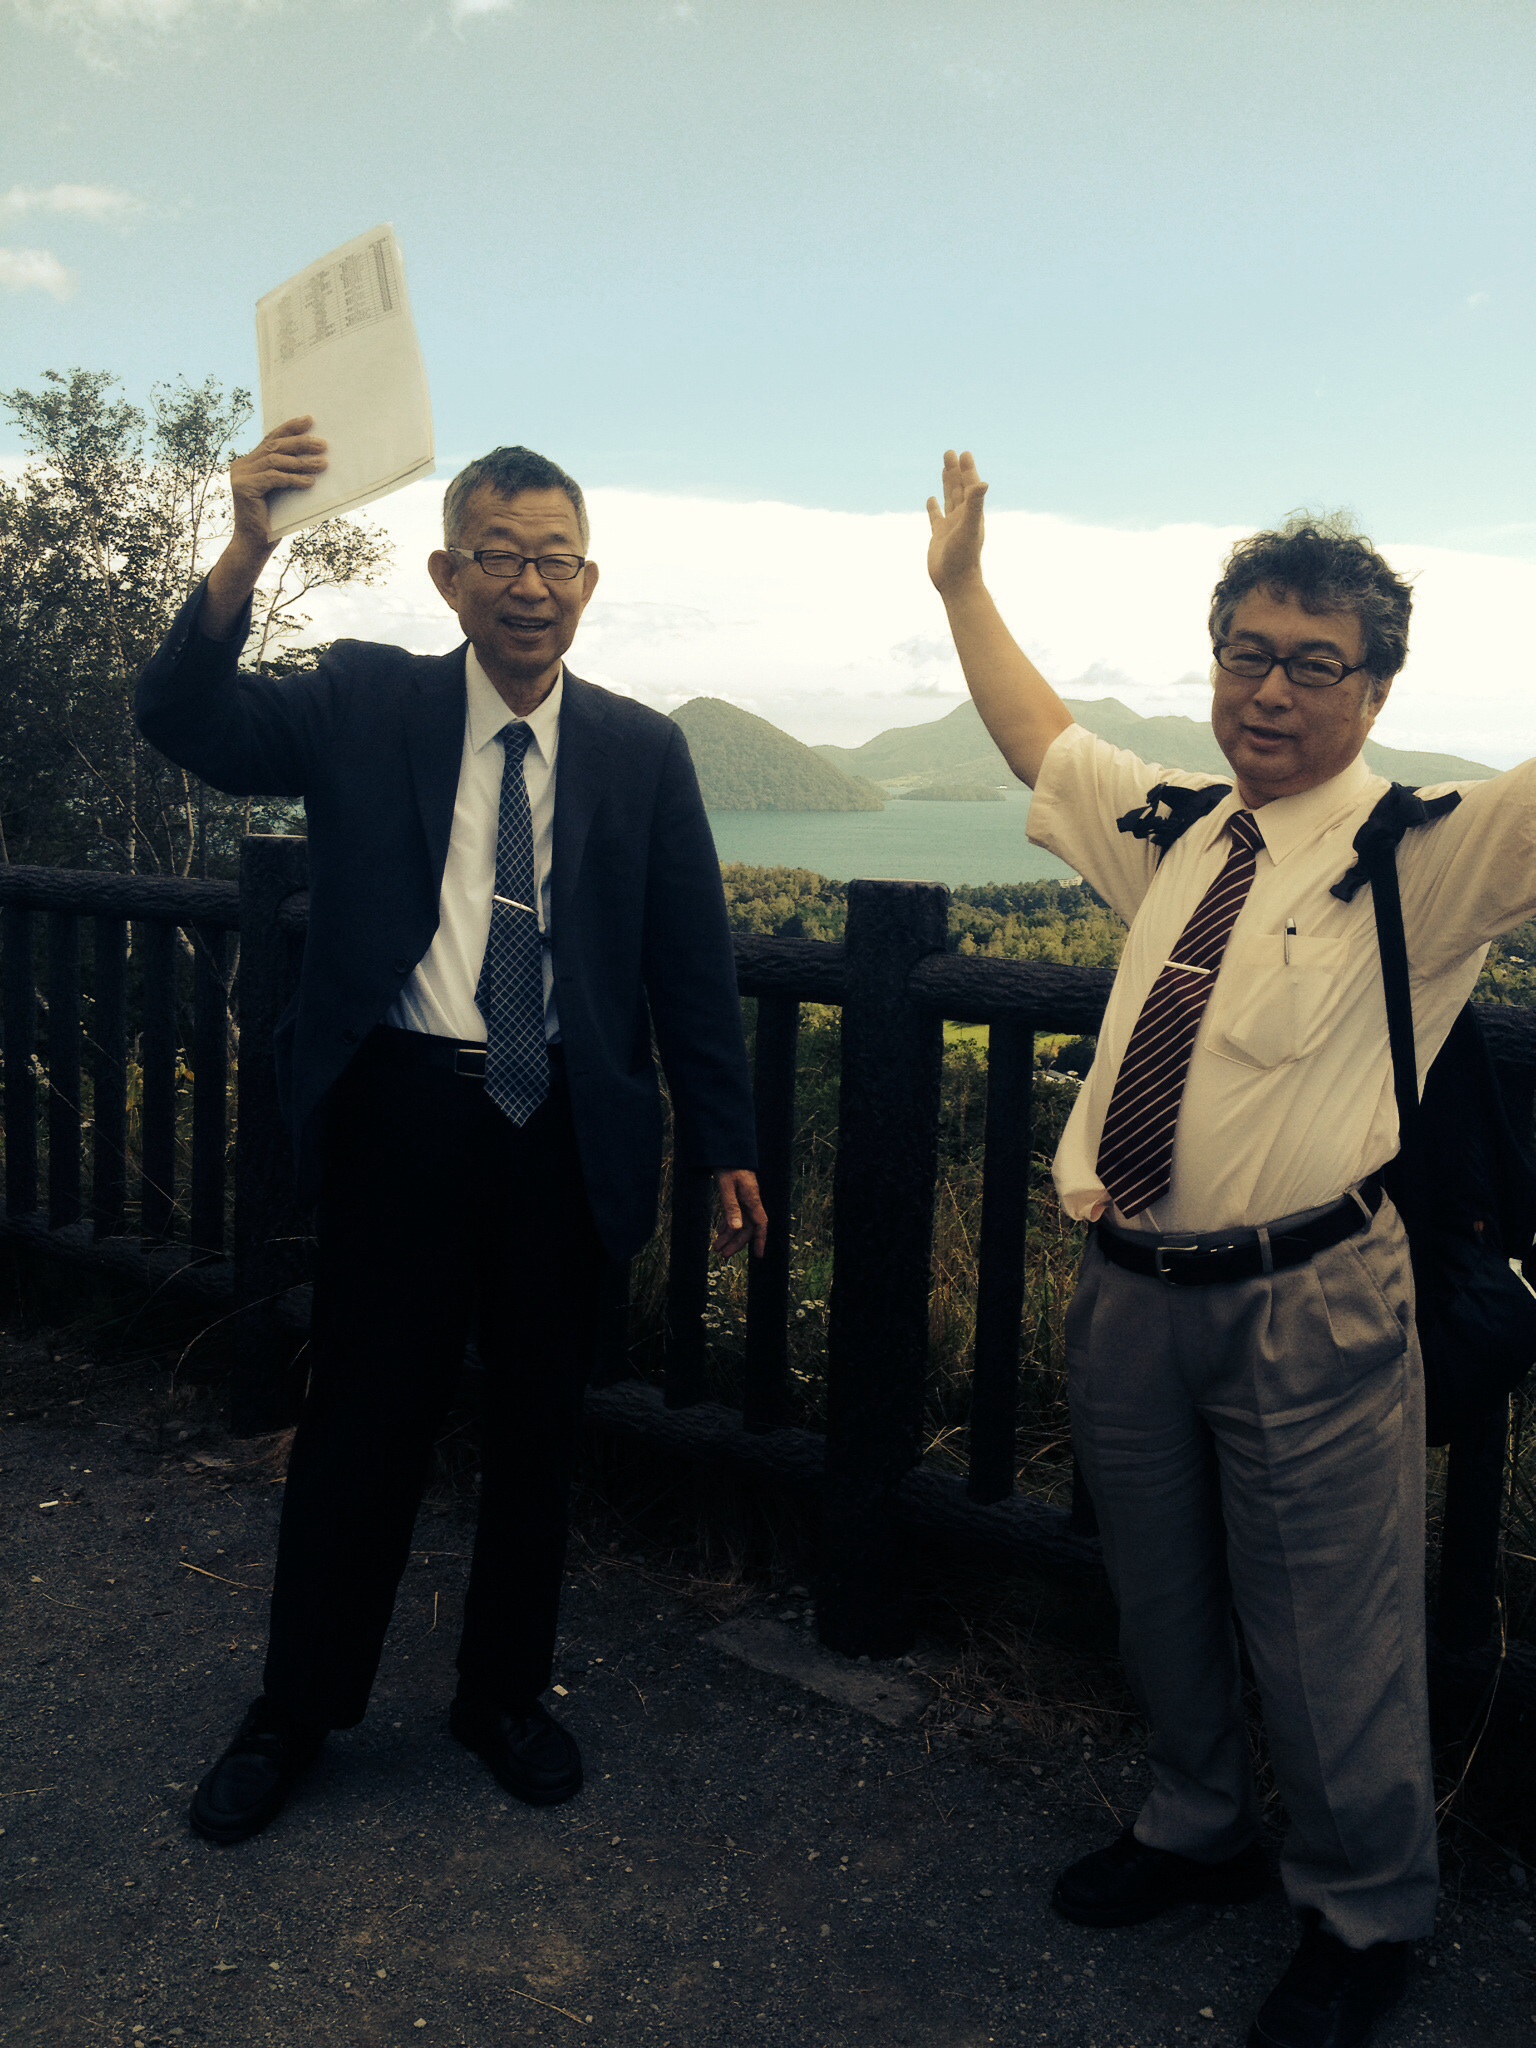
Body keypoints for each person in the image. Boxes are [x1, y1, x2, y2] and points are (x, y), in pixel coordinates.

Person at [927, 450, 1536, 2048]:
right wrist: (962, 588)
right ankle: (1197, 1823)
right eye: (1246, 654)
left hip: (1311, 1297)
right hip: (1130, 1290)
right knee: (1164, 1597)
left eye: (1314, 664)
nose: (1270, 691)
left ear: (1378, 689)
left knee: (1333, 1630)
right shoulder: (1182, 831)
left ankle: (1363, 1909)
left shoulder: (1425, 852)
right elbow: (1040, 739)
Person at [138, 423, 766, 1845]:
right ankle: (297, 1710)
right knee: (363, 1421)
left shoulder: (643, 750)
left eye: (556, 560)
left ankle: (502, 1696)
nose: (529, 584)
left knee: (540, 1426)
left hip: (563, 1126)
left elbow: (689, 963)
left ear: (589, 580)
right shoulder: (364, 700)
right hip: (404, 1114)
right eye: (499, 556)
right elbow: (185, 719)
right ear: (447, 574)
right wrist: (245, 550)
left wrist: (724, 1139)